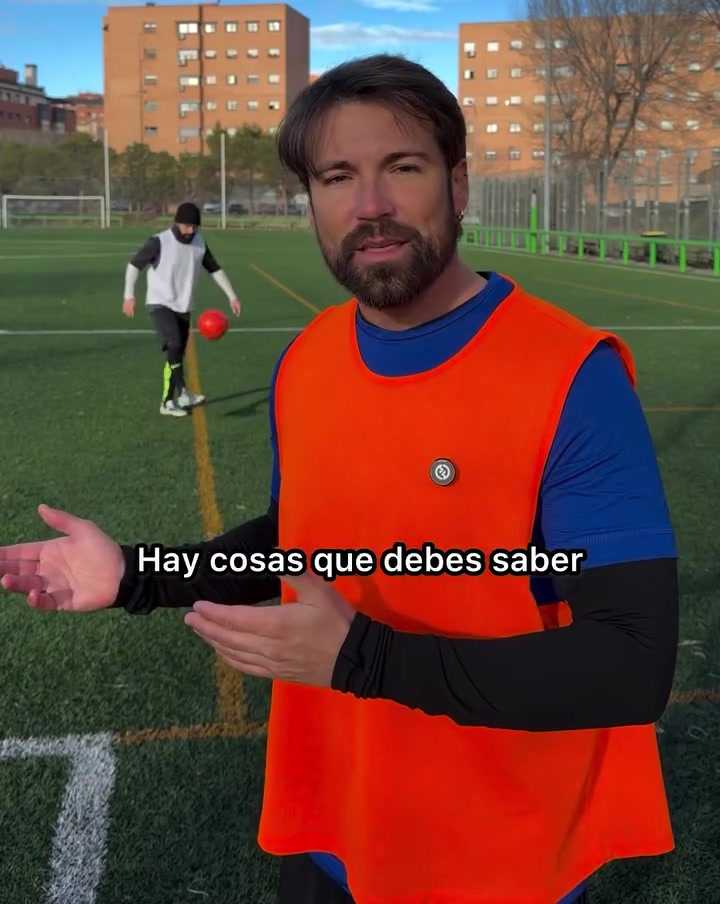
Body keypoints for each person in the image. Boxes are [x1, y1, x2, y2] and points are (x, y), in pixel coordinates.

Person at [0, 55, 678, 904]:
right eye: (337, 177)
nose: (371, 205)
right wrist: (141, 574)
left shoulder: (572, 375)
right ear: (311, 199)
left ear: (458, 184)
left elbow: (631, 661)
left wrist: (363, 659)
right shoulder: (308, 360)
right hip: (329, 824)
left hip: (491, 853)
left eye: (404, 167)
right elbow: (296, 543)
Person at [122, 201, 241, 416]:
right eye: (187, 226)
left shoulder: (199, 244)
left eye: (195, 227)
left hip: (183, 306)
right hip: (160, 302)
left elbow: (215, 270)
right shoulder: (159, 241)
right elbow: (133, 266)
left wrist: (232, 296)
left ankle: (168, 402)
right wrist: (128, 296)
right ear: (177, 223)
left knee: (175, 354)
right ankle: (184, 392)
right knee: (174, 344)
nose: (190, 231)